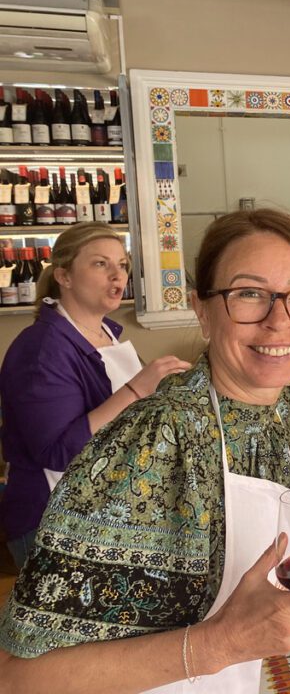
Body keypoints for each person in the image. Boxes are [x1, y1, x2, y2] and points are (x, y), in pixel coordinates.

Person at [0, 209, 290, 692]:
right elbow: (17, 676)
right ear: (202, 309)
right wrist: (221, 644)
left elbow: (251, 546)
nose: (280, 321)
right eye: (249, 294)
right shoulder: (155, 438)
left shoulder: (288, 411)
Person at [0, 222, 190, 568]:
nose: (117, 276)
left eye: (122, 265)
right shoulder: (42, 349)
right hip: (56, 521)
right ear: (64, 276)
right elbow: (56, 452)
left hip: (108, 512)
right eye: (101, 264)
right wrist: (136, 389)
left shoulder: (106, 333)